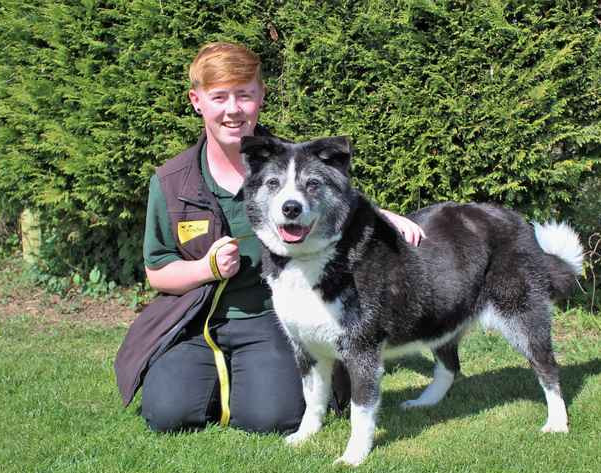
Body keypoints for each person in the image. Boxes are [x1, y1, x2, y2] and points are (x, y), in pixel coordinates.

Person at [114, 42, 424, 434]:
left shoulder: (291, 162)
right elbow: (157, 272)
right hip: (193, 319)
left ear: (260, 97)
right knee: (167, 415)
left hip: (270, 319)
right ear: (197, 101)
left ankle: (247, 380)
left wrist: (382, 218)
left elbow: (340, 203)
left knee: (271, 418)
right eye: (219, 97)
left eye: (244, 94)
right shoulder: (172, 181)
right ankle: (205, 376)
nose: (233, 109)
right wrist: (204, 268)